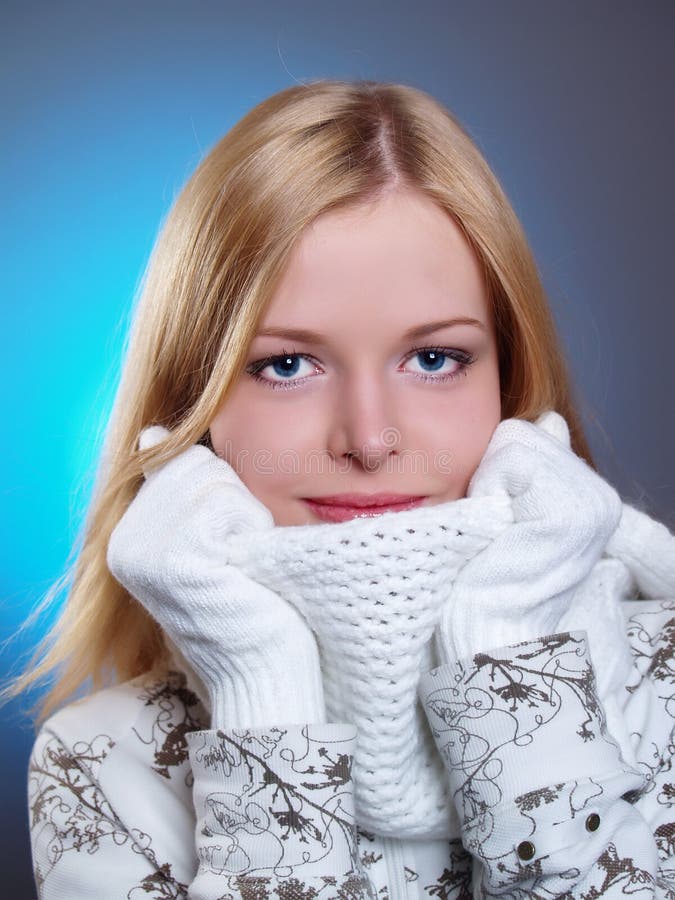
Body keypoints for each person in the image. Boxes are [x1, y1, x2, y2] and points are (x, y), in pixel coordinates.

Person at [7, 79, 675, 898]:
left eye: (434, 359)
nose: (367, 440)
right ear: (195, 409)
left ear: (509, 385)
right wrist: (264, 693)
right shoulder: (101, 767)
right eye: (286, 365)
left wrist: (506, 660)